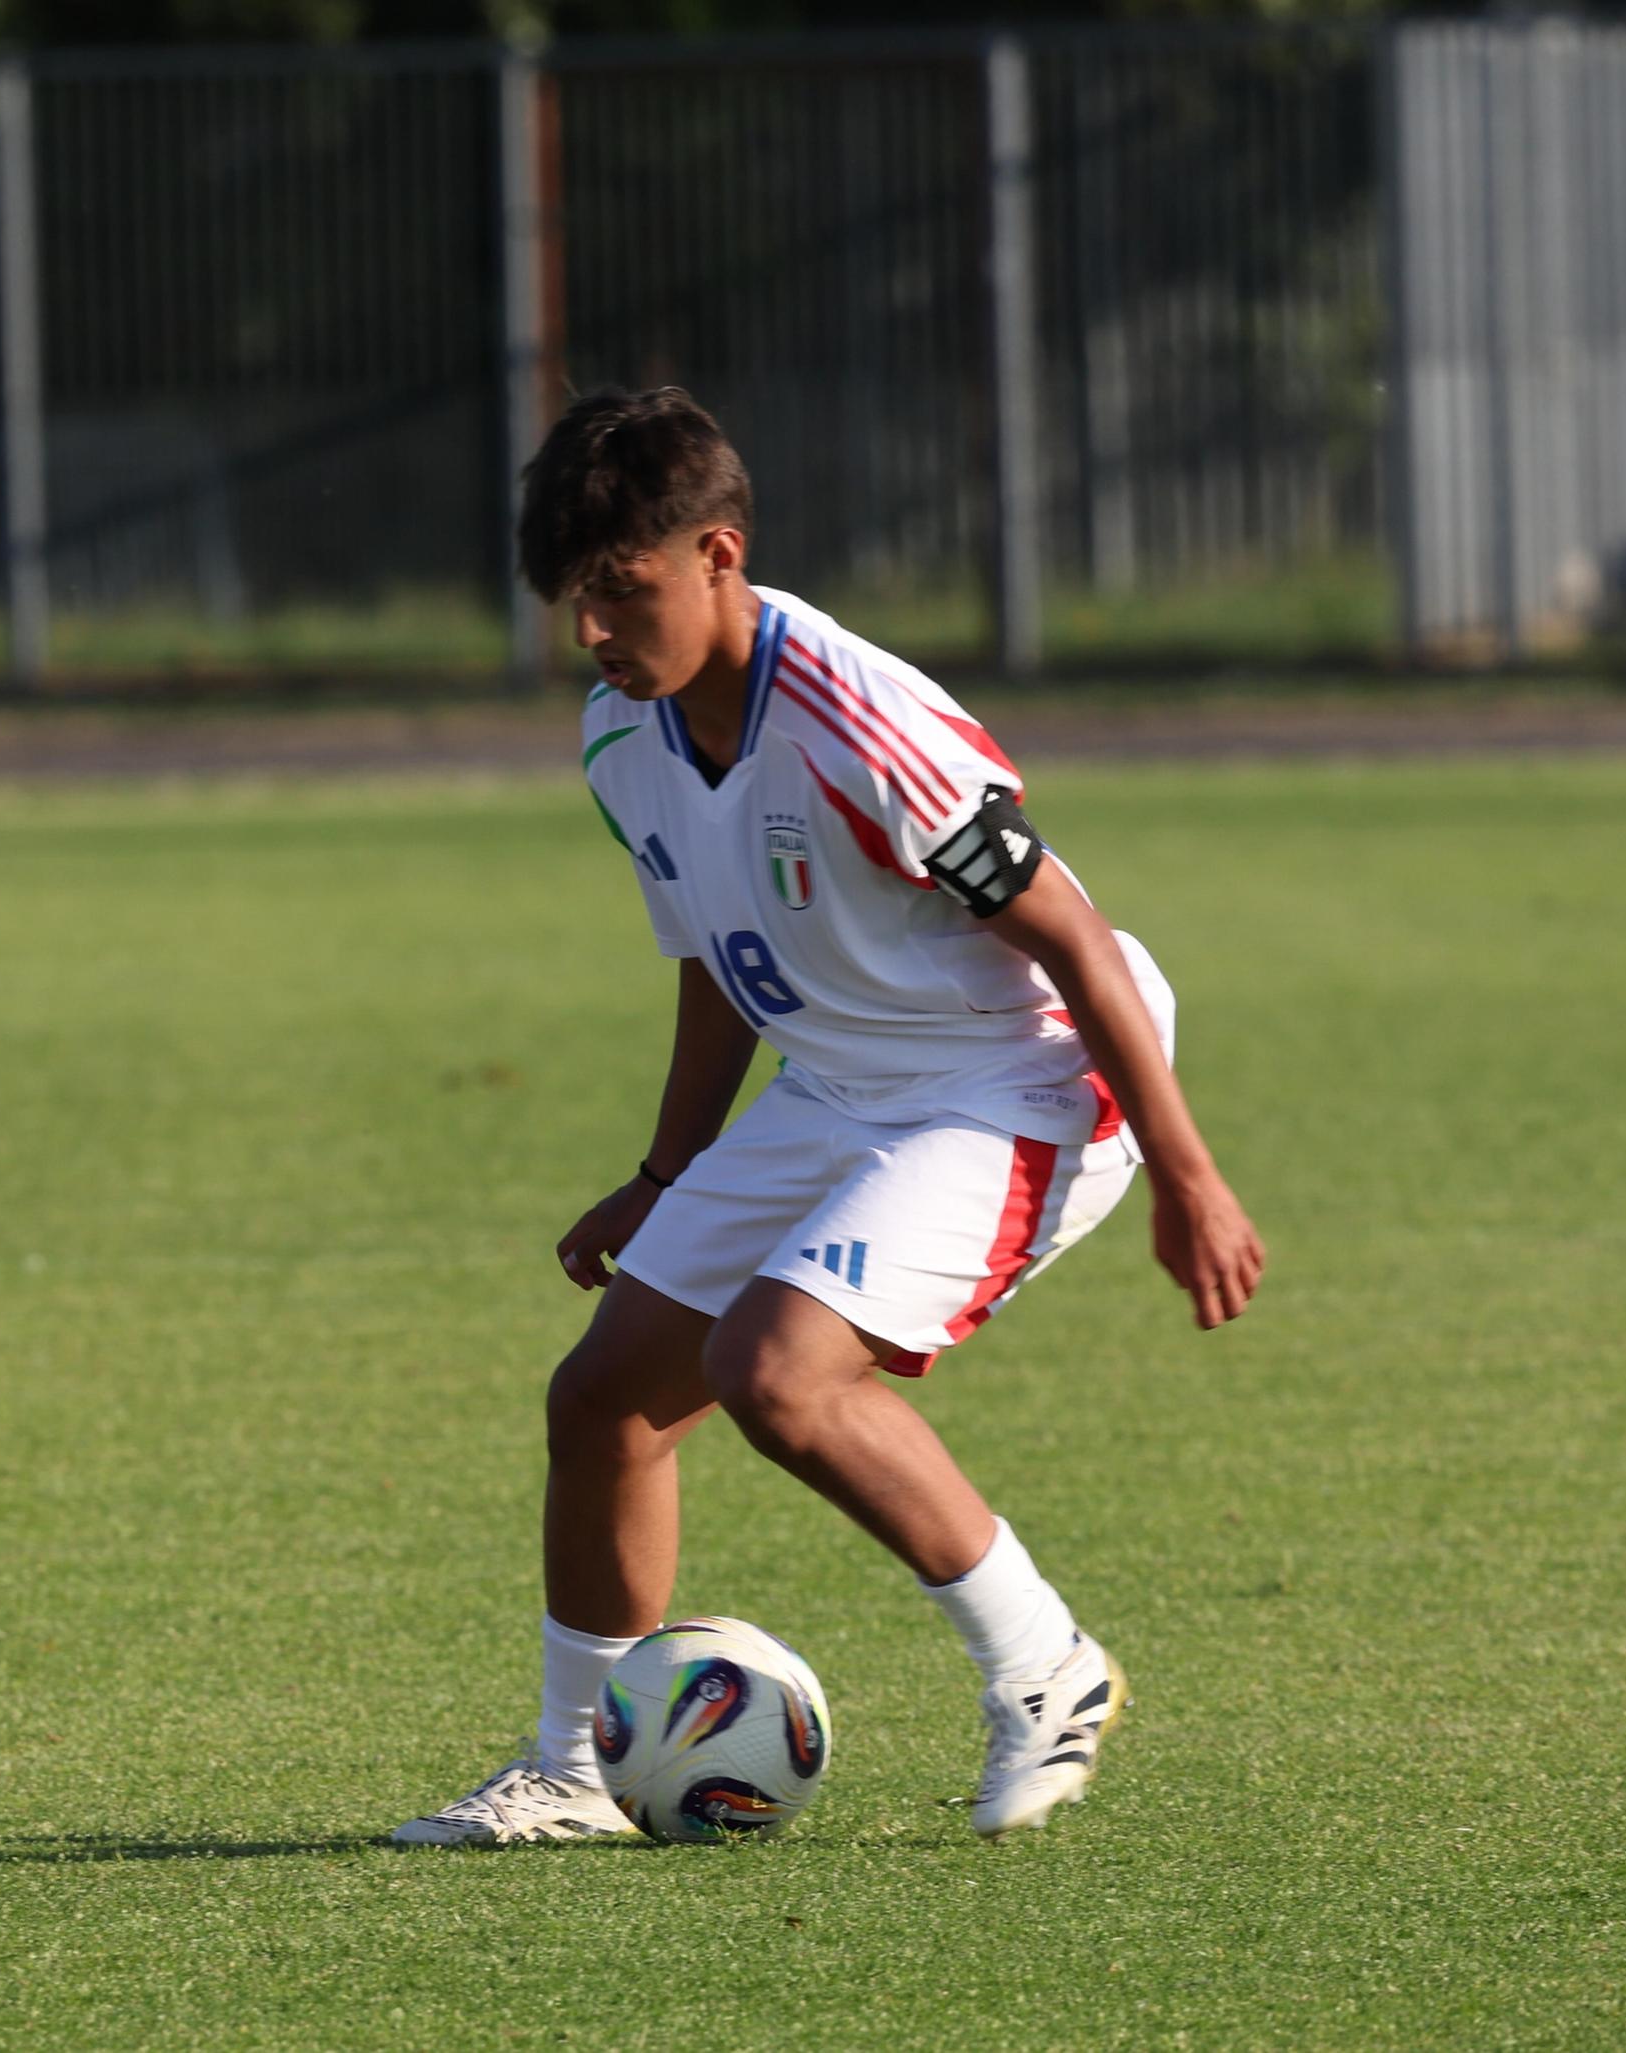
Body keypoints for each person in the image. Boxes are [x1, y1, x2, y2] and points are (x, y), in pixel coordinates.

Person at [392, 388, 1265, 1847]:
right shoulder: (626, 732)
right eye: (572, 599)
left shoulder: (863, 719)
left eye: (625, 589)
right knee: (603, 1400)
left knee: (779, 1375)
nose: (596, 630)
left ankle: (1045, 1669)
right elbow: (724, 959)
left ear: (719, 553)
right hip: (844, 1078)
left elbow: (1076, 939)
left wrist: (1189, 1172)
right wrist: (664, 1172)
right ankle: (576, 1769)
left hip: (1018, 1079)